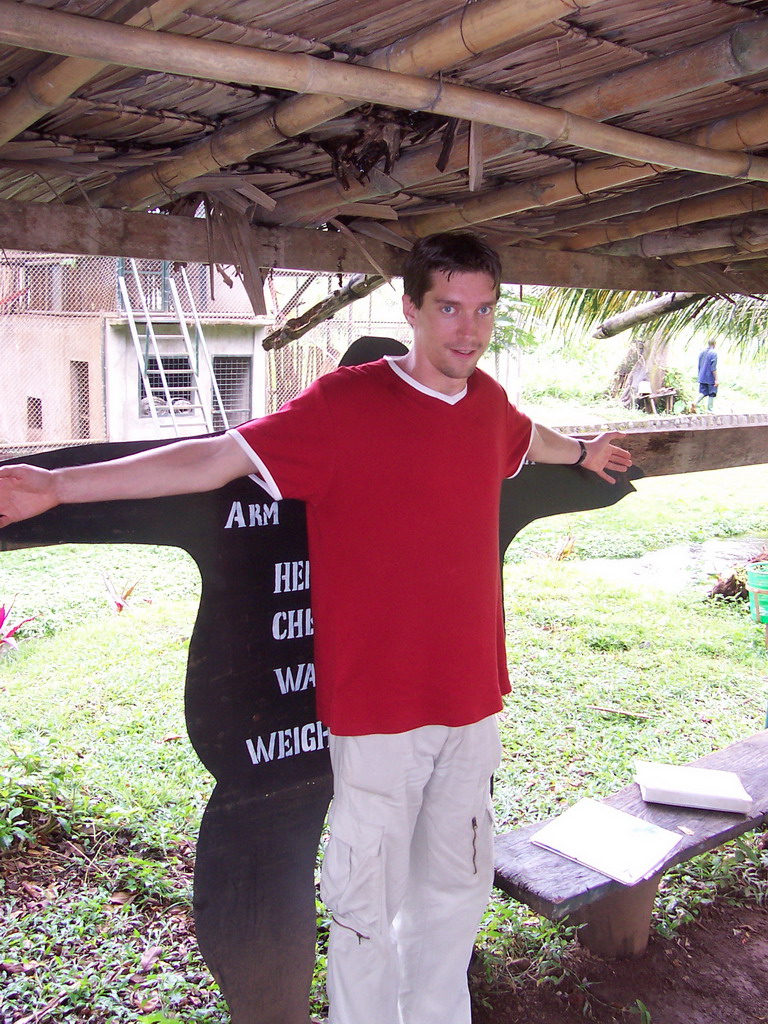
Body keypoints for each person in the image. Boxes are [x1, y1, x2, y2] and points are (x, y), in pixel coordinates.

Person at [0, 231, 631, 1024]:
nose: (466, 330)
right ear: (411, 308)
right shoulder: (343, 408)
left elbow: (525, 437)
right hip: (376, 716)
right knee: (367, 909)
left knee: (455, 895)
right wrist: (58, 488)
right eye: (448, 309)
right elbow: (210, 461)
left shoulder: (489, 404)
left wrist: (582, 451)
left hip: (473, 706)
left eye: (482, 311)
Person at [695, 339, 718, 411]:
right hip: (710, 377)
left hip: (702, 376)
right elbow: (713, 368)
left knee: (702, 392)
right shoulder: (713, 353)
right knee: (712, 392)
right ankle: (710, 409)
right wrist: (716, 379)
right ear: (714, 344)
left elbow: (699, 366)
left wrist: (699, 376)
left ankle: (694, 402)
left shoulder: (701, 353)